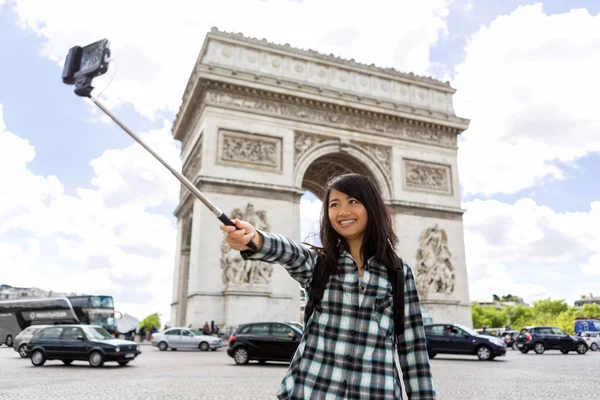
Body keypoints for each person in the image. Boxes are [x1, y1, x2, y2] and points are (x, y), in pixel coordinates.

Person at [221, 173, 435, 399]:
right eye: (334, 204)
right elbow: (290, 252)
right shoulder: (317, 264)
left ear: (371, 206)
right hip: (314, 391)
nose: (343, 212)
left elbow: (414, 352)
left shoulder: (400, 274)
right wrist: (255, 239)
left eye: (353, 201)